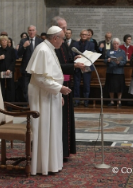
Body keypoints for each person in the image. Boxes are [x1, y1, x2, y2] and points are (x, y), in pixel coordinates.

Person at [26, 26, 71, 176]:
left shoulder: (49, 48)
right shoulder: (43, 50)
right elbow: (40, 78)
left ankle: (52, 164)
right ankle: (42, 165)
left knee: (52, 129)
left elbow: (51, 75)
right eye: (62, 39)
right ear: (55, 38)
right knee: (44, 129)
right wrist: (59, 89)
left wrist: (58, 93)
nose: (63, 42)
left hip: (49, 94)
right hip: (42, 96)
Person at [51, 16, 85, 161]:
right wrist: (74, 66)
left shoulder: (64, 44)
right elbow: (55, 67)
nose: (65, 30)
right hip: (58, 87)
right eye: (63, 28)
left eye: (66, 27)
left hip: (67, 85)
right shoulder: (51, 46)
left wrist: (74, 60)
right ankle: (59, 150)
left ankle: (66, 150)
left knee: (67, 119)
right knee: (61, 120)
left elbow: (66, 60)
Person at [18, 25, 43, 102]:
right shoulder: (23, 41)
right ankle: (26, 105)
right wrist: (24, 47)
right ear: (28, 32)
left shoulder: (40, 41)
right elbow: (18, 54)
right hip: (26, 68)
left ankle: (36, 103)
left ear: (36, 31)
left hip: (37, 68)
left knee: (37, 87)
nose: (31, 32)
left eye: (33, 30)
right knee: (26, 87)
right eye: (30, 30)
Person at [72, 29, 95, 107]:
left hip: (87, 66)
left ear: (88, 35)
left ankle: (86, 101)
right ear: (80, 35)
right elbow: (72, 54)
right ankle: (76, 100)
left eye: (85, 34)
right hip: (77, 66)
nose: (84, 36)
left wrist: (83, 59)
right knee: (76, 84)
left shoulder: (91, 44)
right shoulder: (75, 44)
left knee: (86, 84)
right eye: (82, 34)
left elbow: (91, 55)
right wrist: (75, 57)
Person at [104, 38, 127, 107]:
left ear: (119, 44)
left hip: (119, 72)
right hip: (110, 71)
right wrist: (107, 60)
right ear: (112, 44)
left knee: (119, 87)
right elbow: (104, 60)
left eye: (117, 44)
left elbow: (125, 61)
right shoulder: (109, 51)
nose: (115, 45)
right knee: (111, 87)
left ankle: (119, 101)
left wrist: (119, 62)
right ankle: (112, 101)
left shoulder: (122, 52)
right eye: (114, 44)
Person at [0, 36, 16, 102]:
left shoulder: (11, 50)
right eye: (2, 40)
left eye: (5, 40)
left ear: (7, 42)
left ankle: (10, 105)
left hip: (9, 71)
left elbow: (13, 61)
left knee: (10, 87)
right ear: (0, 42)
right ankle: (1, 103)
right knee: (1, 87)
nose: (4, 42)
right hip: (0, 71)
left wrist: (10, 69)